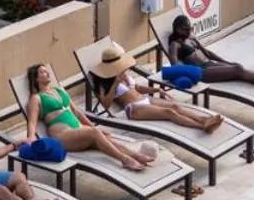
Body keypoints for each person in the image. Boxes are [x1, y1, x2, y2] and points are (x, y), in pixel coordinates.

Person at [87, 42, 241, 142]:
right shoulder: (104, 82)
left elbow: (137, 89)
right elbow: (106, 104)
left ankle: (204, 119)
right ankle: (202, 126)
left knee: (175, 107)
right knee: (169, 113)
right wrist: (115, 82)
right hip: (133, 109)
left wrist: (155, 89)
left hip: (144, 99)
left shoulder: (124, 74)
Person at [23, 64, 155, 171]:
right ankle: (125, 160)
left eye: (47, 71)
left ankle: (135, 155)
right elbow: (32, 122)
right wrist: (31, 138)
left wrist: (93, 127)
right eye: (42, 72)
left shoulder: (59, 91)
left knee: (105, 138)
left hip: (78, 130)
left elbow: (77, 112)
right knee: (95, 133)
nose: (47, 73)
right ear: (36, 79)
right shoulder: (36, 98)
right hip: (63, 136)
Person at [167, 15, 254, 94]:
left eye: (190, 29)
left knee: (237, 69)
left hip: (209, 65)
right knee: (238, 69)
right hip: (201, 73)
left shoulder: (191, 39)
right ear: (177, 29)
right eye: (186, 30)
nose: (189, 31)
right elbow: (174, 66)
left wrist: (226, 63)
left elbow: (208, 53)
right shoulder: (175, 44)